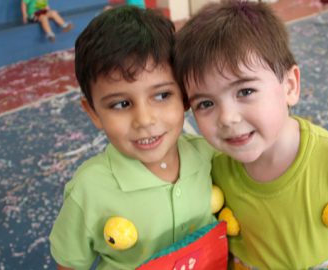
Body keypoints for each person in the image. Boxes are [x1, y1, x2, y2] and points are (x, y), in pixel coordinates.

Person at [174, 1, 328, 269]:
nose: (227, 117)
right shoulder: (212, 169)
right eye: (205, 104)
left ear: (290, 86)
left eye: (245, 91)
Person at [49, 6, 217, 270]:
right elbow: (69, 265)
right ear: (93, 112)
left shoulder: (208, 154)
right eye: (121, 104)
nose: (145, 120)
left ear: (184, 94)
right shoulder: (88, 191)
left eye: (162, 95)